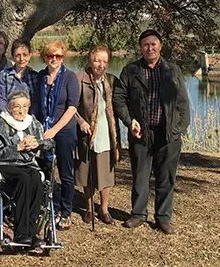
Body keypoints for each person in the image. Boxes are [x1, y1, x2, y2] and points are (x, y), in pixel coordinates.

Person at [113, 29, 190, 234]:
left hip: (167, 134)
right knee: (140, 176)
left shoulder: (172, 70)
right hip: (141, 134)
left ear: (160, 46)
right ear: (141, 48)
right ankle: (138, 214)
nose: (150, 48)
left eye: (153, 44)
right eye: (145, 44)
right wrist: (130, 122)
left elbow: (183, 102)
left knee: (166, 176)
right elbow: (119, 99)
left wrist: (179, 129)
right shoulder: (131, 71)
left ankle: (163, 217)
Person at [0, 90, 54, 247]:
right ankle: (21, 233)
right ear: (9, 108)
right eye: (17, 107)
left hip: (28, 164)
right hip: (6, 165)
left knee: (36, 178)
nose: (21, 110)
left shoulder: (33, 123)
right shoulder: (0, 123)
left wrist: (39, 144)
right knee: (25, 179)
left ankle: (32, 232)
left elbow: (50, 143)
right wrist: (17, 148)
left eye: (25, 106)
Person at [35, 40, 80, 229]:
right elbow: (36, 104)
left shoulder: (70, 77)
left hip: (64, 131)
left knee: (65, 172)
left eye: (58, 56)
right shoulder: (39, 77)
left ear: (63, 57)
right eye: (50, 56)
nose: (54, 59)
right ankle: (46, 206)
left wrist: (54, 129)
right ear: (45, 57)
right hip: (43, 129)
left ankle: (65, 211)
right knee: (43, 170)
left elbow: (72, 107)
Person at [74, 45, 120, 225]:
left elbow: (119, 106)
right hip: (86, 134)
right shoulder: (79, 79)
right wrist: (81, 122)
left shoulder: (112, 81)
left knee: (105, 173)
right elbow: (71, 107)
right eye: (97, 60)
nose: (100, 65)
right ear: (90, 61)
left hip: (107, 134)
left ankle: (104, 208)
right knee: (87, 172)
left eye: (104, 61)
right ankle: (89, 207)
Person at [0, 39, 38, 115]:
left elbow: (36, 102)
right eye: (18, 55)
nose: (21, 59)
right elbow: (0, 100)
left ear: (30, 55)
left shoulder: (35, 76)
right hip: (8, 117)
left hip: (29, 118)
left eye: (25, 55)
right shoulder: (4, 75)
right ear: (13, 56)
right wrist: (10, 114)